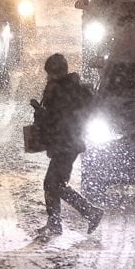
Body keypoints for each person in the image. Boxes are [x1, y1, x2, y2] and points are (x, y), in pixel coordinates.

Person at [32, 53, 103, 238]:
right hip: (69, 142)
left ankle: (89, 212)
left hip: (65, 143)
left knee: (54, 183)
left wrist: (40, 113)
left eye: (50, 72)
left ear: (54, 72)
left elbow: (56, 118)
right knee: (54, 183)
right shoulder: (71, 87)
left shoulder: (59, 90)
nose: (48, 76)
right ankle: (57, 221)